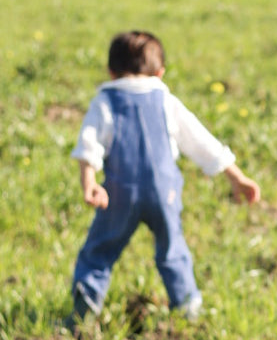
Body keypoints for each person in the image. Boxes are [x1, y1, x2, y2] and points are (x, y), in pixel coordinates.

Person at [70, 30, 260, 321]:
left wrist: (90, 183)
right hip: (164, 193)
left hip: (119, 195)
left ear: (111, 71)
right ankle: (187, 304)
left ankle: (87, 301)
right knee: (172, 248)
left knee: (101, 247)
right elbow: (201, 142)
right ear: (160, 72)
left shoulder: (105, 101)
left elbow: (89, 144)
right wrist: (237, 176)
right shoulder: (165, 100)